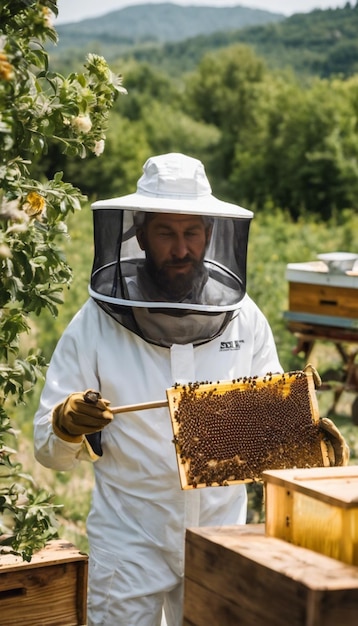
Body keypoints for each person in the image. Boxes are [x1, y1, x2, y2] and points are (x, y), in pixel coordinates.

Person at [33, 153, 346, 626]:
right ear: (140, 235)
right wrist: (65, 425)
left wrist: (299, 438)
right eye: (166, 233)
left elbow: (269, 443)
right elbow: (46, 450)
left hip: (222, 531)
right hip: (130, 533)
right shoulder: (95, 323)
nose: (181, 248)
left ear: (210, 234)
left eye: (191, 232)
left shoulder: (246, 318)